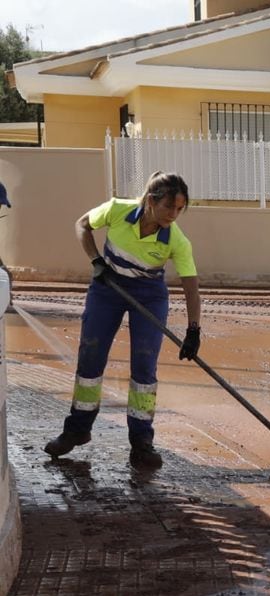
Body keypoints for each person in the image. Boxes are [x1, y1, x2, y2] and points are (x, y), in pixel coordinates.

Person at [44, 172, 202, 469]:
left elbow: (191, 286)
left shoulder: (176, 239)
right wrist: (96, 262)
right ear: (151, 201)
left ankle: (141, 441)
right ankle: (77, 429)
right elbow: (82, 225)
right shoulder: (118, 209)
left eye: (180, 208)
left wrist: (194, 330)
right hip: (107, 287)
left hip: (149, 295)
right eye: (170, 207)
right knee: (91, 356)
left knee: (144, 365)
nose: (174, 214)